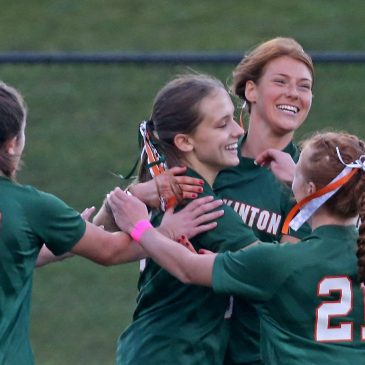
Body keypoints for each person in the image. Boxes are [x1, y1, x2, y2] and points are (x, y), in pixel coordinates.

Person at [0, 81, 220, 365]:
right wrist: (167, 230)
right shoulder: (30, 207)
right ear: (12, 143)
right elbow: (110, 251)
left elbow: (19, 254)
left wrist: (74, 238)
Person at [108, 131, 365, 365]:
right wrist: (302, 181)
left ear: (310, 189)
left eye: (298, 170)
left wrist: (140, 226)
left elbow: (187, 268)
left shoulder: (278, 263)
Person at [109, 74, 260, 365]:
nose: (239, 131)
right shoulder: (195, 196)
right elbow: (267, 265)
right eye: (223, 123)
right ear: (184, 141)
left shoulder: (164, 185)